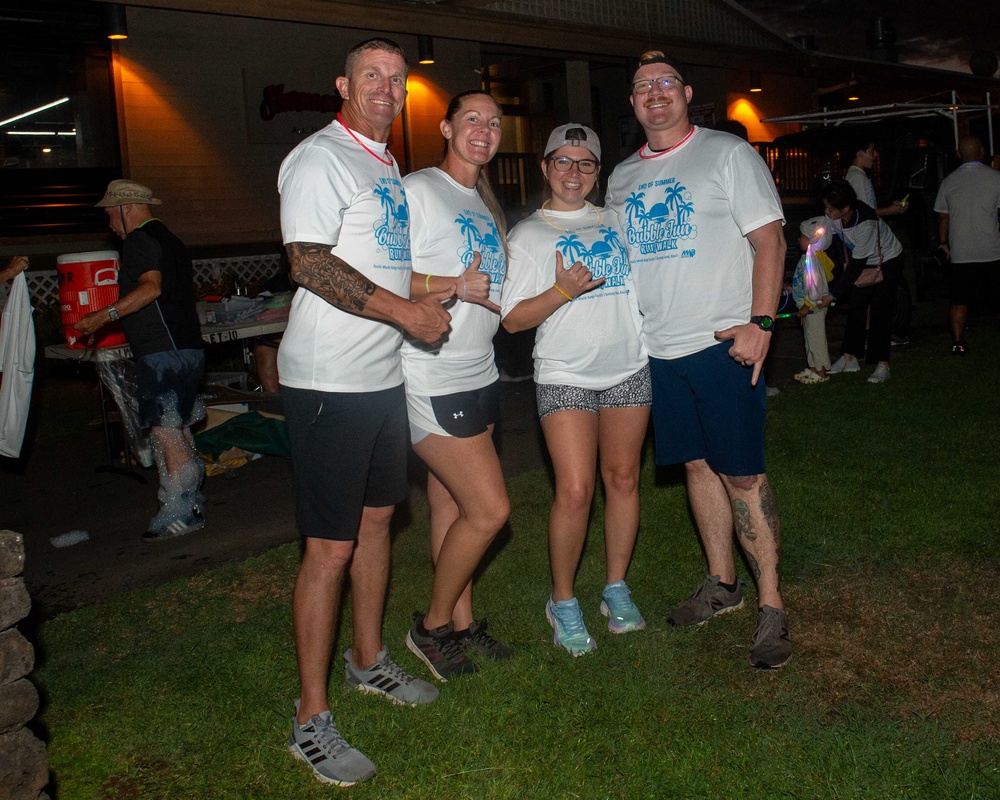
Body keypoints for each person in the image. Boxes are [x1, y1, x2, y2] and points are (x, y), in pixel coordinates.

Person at [276, 38, 452, 786]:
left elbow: (378, 260)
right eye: (372, 76)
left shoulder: (382, 165)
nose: (386, 88)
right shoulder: (319, 157)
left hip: (380, 377)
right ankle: (310, 718)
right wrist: (407, 314)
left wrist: (443, 293)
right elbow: (309, 261)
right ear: (343, 84)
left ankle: (368, 661)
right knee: (331, 547)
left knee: (380, 521)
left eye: (398, 79)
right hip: (327, 381)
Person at [606, 51, 791, 669]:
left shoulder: (727, 153)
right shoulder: (623, 178)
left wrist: (762, 324)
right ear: (632, 104)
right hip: (658, 351)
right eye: (642, 87)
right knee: (694, 467)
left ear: (686, 92)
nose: (654, 94)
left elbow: (769, 240)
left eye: (664, 83)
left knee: (742, 474)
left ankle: (771, 604)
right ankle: (723, 585)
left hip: (723, 346)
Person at [502, 124, 650, 657]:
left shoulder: (616, 221)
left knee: (625, 478)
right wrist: (562, 291)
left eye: (585, 163)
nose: (574, 172)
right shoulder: (528, 235)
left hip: (628, 366)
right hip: (565, 372)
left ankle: (615, 588)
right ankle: (563, 600)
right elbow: (514, 320)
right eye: (562, 162)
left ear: (597, 172)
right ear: (545, 168)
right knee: (575, 490)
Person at [400, 90, 513, 680]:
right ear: (445, 126)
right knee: (491, 509)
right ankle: (431, 626)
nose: (484, 130)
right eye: (472, 118)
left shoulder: (483, 204)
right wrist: (453, 286)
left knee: (451, 504)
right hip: (431, 372)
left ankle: (463, 626)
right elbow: (384, 274)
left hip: (481, 369)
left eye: (494, 123)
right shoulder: (418, 191)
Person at [75, 180, 207, 540]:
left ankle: (180, 513)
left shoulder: (137, 240)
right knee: (178, 430)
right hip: (188, 348)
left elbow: (151, 287)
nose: (110, 225)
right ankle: (191, 504)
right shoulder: (172, 240)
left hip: (163, 352)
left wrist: (103, 316)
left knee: (166, 433)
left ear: (126, 207)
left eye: (110, 215)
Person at [822, 179, 905, 383]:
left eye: (831, 209)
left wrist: (833, 295)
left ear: (846, 208)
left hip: (887, 260)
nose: (827, 212)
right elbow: (831, 244)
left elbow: (855, 268)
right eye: (826, 207)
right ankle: (850, 357)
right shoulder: (834, 217)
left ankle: (882, 364)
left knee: (880, 310)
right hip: (864, 260)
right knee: (857, 305)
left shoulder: (866, 223)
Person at [933, 134, 1000, 355]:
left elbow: (944, 216)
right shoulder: (995, 178)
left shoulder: (949, 181)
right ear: (982, 152)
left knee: (959, 301)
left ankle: (959, 343)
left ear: (958, 154)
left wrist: (943, 243)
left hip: (962, 252)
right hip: (993, 250)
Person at [791, 217, 835, 384]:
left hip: (813, 308)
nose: (798, 240)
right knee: (809, 338)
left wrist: (807, 305)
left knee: (816, 338)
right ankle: (813, 368)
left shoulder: (812, 260)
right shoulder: (809, 258)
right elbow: (805, 282)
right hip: (808, 307)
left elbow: (815, 288)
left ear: (813, 239)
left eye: (802, 236)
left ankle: (821, 373)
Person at [844, 139, 907, 218]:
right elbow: (862, 212)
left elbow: (869, 208)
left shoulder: (859, 175)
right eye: (872, 151)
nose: (876, 154)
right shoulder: (857, 176)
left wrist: (892, 208)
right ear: (860, 154)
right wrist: (889, 210)